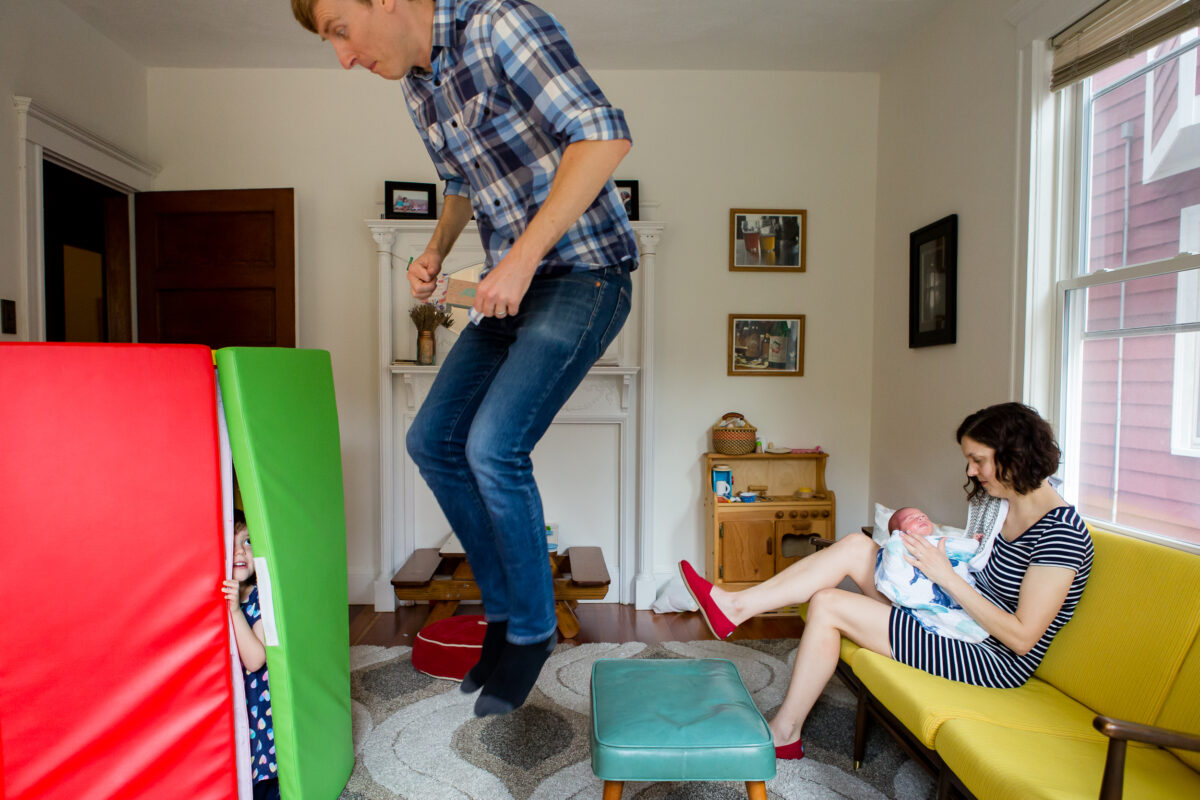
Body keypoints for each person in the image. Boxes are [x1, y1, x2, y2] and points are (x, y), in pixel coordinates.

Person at [290, 0, 637, 716]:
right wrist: (437, 249)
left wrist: (519, 260)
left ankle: (534, 630)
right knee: (432, 439)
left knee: (494, 444)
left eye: (339, 31)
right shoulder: (420, 84)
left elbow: (603, 137)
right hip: (512, 286)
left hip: (584, 277)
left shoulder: (498, 24)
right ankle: (507, 615)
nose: (343, 58)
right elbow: (461, 182)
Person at [680, 402, 1093, 761]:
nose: (971, 470)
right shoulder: (1002, 506)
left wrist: (943, 575)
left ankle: (785, 733)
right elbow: (973, 564)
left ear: (1015, 454)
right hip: (955, 619)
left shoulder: (1061, 534)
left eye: (978, 460)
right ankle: (735, 607)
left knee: (828, 603)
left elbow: (1021, 638)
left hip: (989, 656)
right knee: (856, 547)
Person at [222, 511, 278, 800]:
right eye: (231, 544)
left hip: (259, 716)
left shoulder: (260, 597)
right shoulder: (214, 597)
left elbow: (255, 660)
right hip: (230, 712)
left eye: (247, 541)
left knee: (263, 781)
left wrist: (234, 611)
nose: (241, 551)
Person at [873, 506, 990, 643]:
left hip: (956, 593)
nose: (921, 517)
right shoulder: (898, 543)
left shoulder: (940, 541)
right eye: (912, 518)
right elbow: (892, 561)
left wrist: (972, 542)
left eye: (923, 516)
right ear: (899, 532)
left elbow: (962, 552)